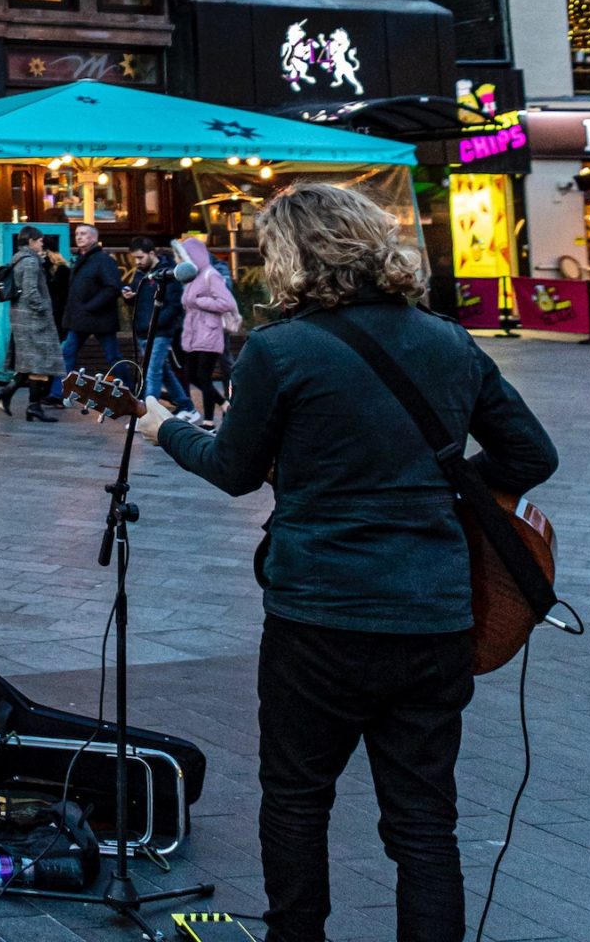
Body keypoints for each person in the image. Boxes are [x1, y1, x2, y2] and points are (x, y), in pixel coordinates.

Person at [139, 181, 557, 942]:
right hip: (432, 615)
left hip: (318, 614)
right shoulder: (446, 339)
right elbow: (532, 453)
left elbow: (234, 469)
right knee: (424, 823)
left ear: (291, 257)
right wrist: (445, 489)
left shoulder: (278, 349)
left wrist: (163, 428)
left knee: (297, 798)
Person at [0, 227, 64, 421]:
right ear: (32, 241)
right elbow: (31, 291)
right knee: (40, 364)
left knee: (32, 364)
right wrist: (44, 308)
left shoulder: (18, 259)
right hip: (34, 320)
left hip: (22, 317)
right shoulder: (31, 262)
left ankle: (9, 394)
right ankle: (32, 406)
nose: (42, 244)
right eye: (40, 241)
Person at [173, 233, 240, 420]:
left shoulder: (211, 274)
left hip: (210, 331)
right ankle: (222, 405)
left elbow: (226, 302)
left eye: (182, 256)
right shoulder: (192, 278)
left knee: (203, 376)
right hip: (194, 333)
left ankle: (210, 420)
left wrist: (200, 301)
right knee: (192, 375)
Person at [134, 242, 195, 413]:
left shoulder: (169, 273)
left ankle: (148, 413)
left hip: (160, 331)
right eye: (135, 258)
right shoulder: (141, 274)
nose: (137, 261)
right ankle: (186, 406)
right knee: (164, 371)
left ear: (152, 253)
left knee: (152, 371)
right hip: (144, 331)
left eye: (140, 257)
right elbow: (139, 299)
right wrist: (129, 297)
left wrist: (156, 323)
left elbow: (175, 304)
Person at [61, 222, 124, 375]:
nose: (79, 237)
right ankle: (59, 392)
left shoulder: (103, 260)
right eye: (76, 234)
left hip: (99, 319)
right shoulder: (80, 260)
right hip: (80, 319)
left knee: (113, 357)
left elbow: (113, 287)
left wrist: (91, 306)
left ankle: (130, 391)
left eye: (83, 233)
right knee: (66, 353)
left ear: (94, 237)